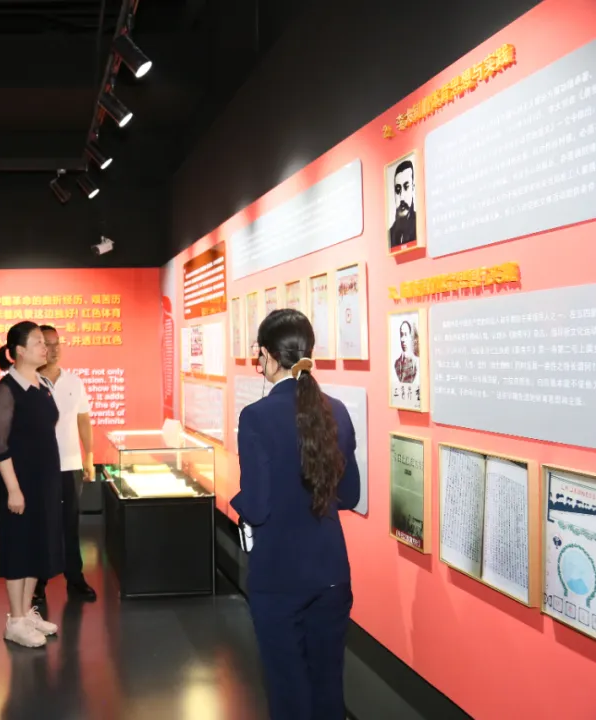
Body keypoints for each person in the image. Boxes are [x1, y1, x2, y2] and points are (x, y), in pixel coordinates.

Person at [232, 309, 361, 720]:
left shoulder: (256, 416)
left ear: (268, 357)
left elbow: (257, 505)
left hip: (279, 575)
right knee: (328, 686)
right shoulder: (336, 410)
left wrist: (238, 504)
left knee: (289, 690)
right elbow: (350, 494)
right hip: (331, 572)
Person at [0, 321, 64, 648]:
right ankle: (15, 620)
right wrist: (14, 489)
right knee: (19, 547)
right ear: (18, 350)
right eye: (37, 343)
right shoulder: (6, 389)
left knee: (38, 546)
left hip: (45, 480)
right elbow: (0, 446)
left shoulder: (42, 383)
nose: (45, 347)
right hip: (20, 482)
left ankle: (26, 612)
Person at [35, 325, 97, 604]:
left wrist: (89, 456)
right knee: (41, 525)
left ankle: (75, 578)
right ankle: (39, 581)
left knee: (70, 524)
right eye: (47, 344)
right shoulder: (28, 382)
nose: (54, 349)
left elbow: (83, 420)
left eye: (57, 343)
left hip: (70, 464)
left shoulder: (74, 381)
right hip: (39, 467)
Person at [389, 159, 417, 250]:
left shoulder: (419, 227)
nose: (402, 197)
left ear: (413, 189)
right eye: (398, 190)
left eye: (406, 187)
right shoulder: (390, 234)